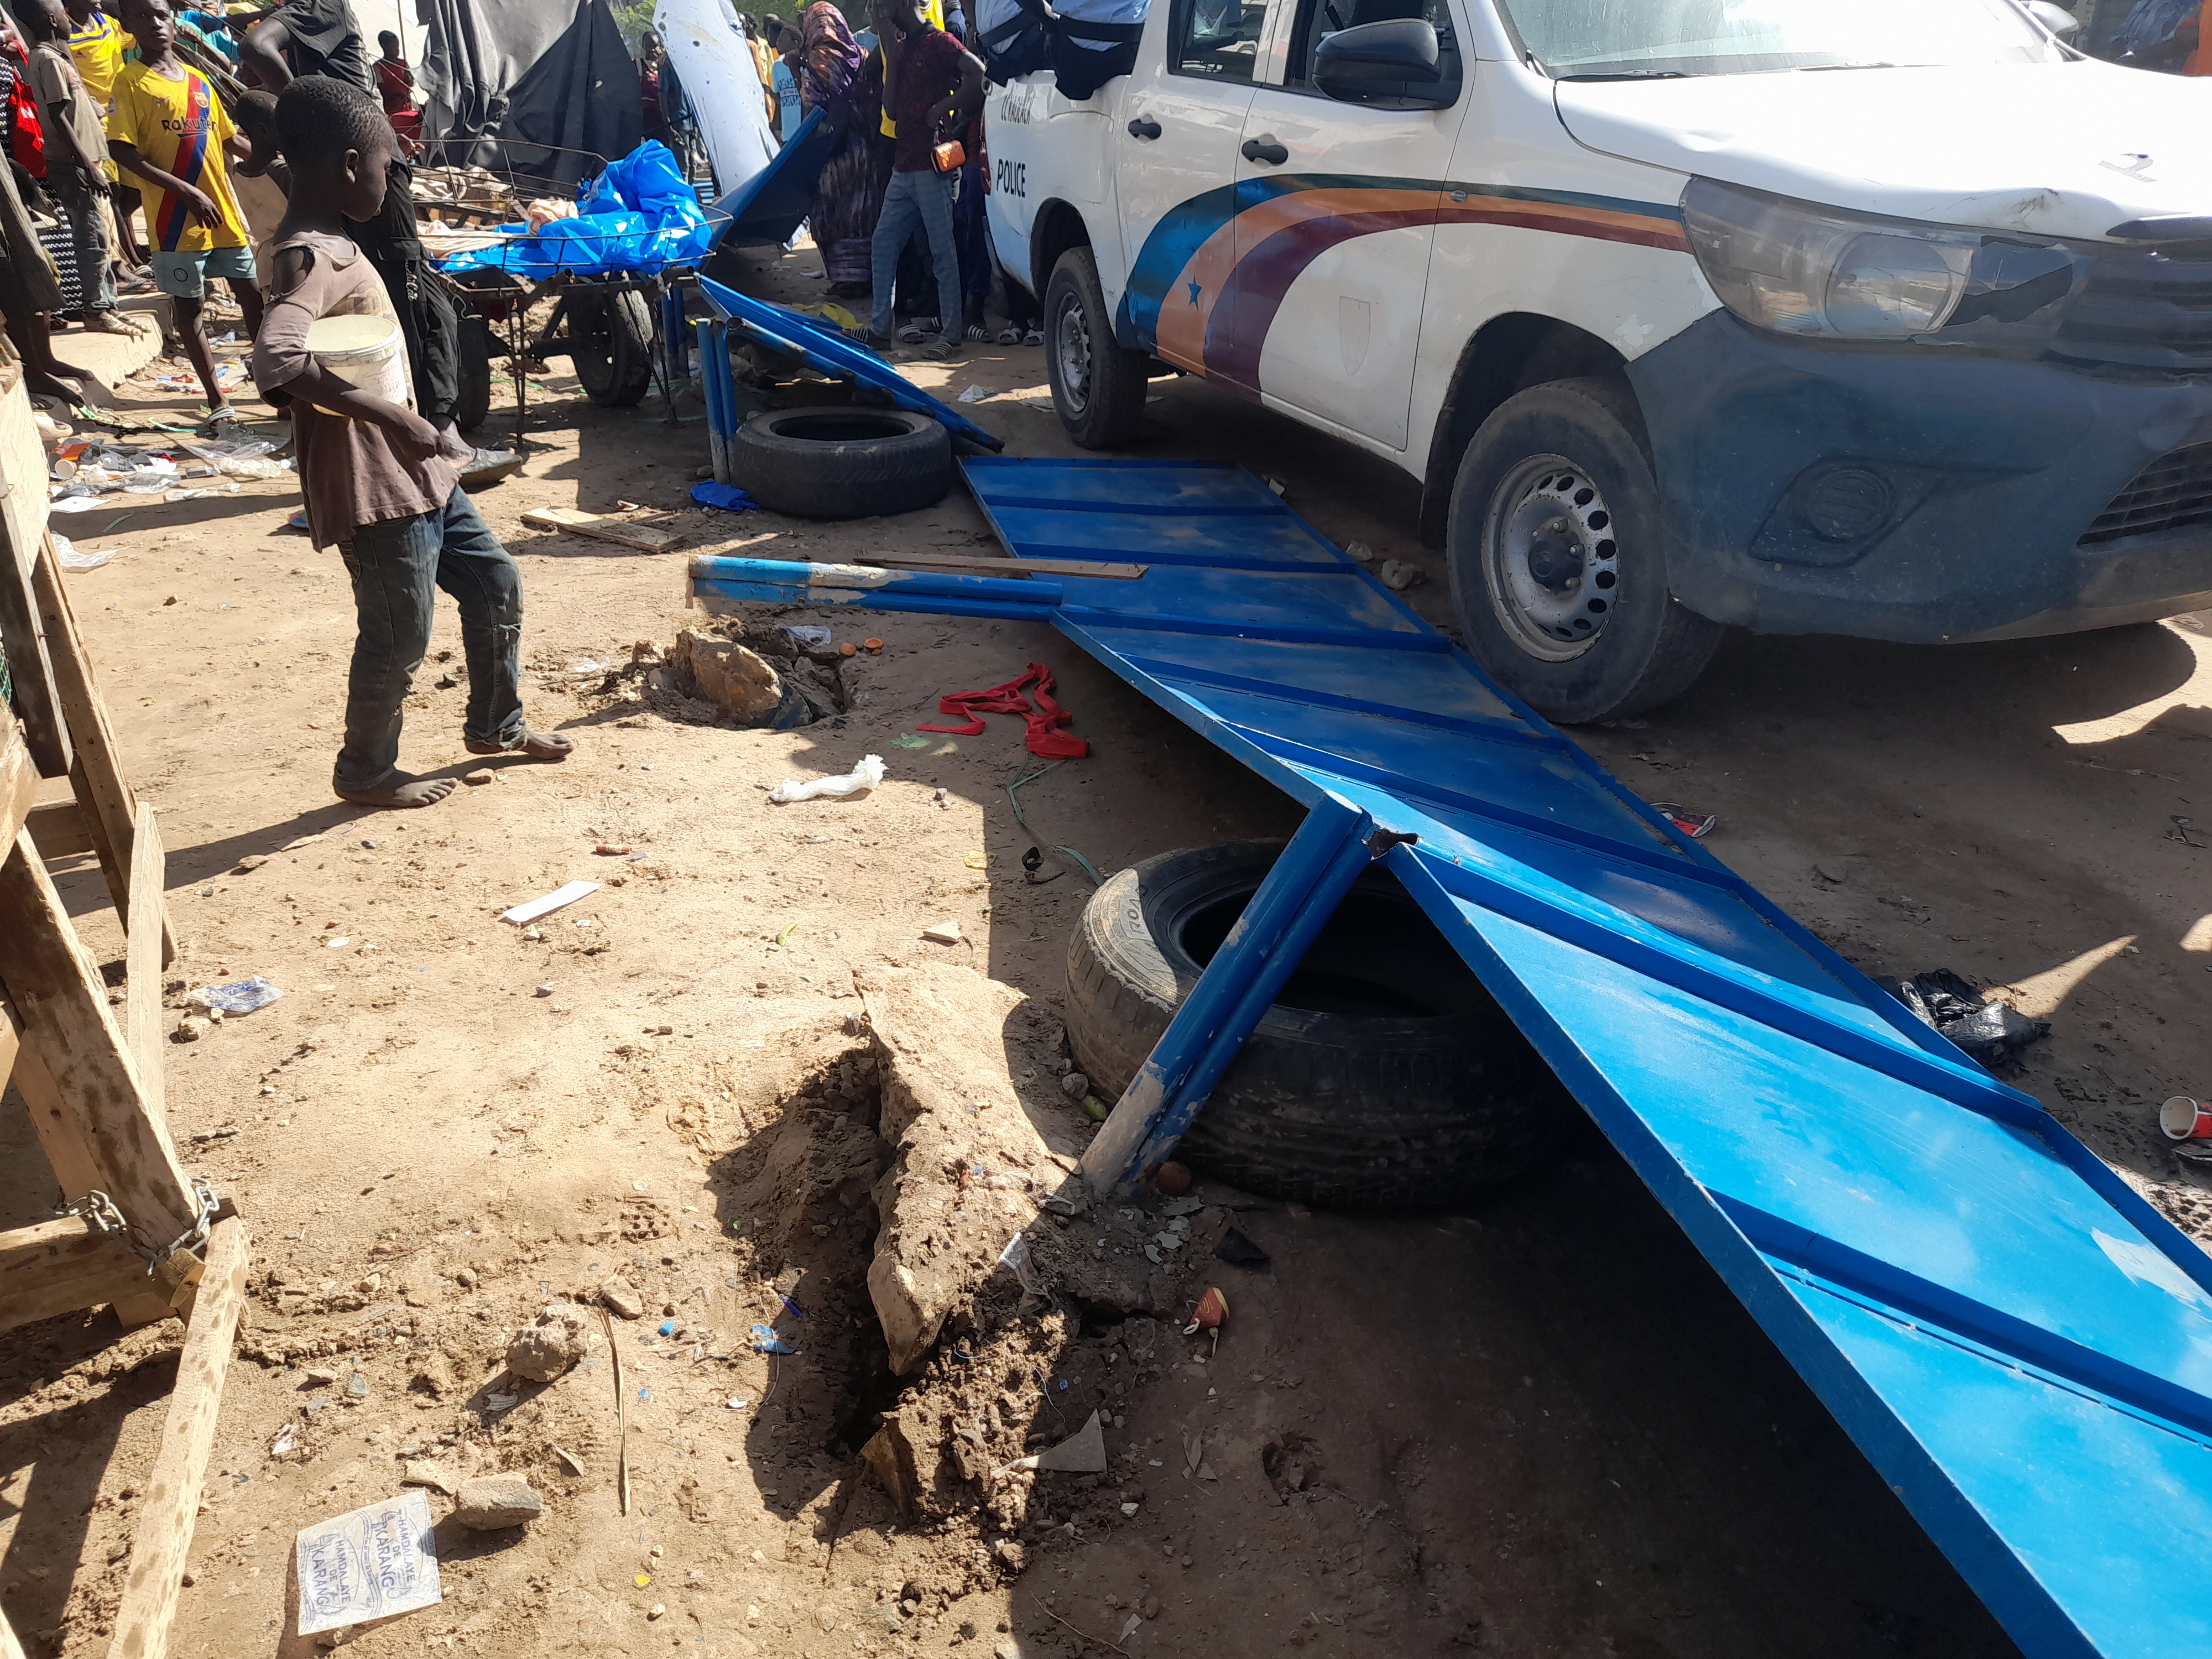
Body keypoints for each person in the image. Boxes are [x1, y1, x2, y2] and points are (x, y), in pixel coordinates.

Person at [252, 75, 572, 811]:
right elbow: (278, 361)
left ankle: (497, 723)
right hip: (374, 486)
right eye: (385, 164)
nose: (392, 177)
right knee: (398, 636)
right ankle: (364, 770)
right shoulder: (305, 256)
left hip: (419, 474)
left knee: (495, 583)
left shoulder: (338, 237)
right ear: (345, 166)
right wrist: (394, 418)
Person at [107, 0, 260, 426]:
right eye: (142, 16)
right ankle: (217, 401)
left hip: (223, 215)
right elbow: (120, 148)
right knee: (189, 307)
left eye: (160, 14)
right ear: (129, 24)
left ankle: (275, 386)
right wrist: (185, 191)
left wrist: (283, 161)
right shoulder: (131, 83)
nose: (155, 24)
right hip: (173, 221)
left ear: (172, 19)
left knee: (252, 296)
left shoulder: (198, 81)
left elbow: (231, 141)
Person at [864, 0, 980, 358]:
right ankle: (881, 330)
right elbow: (891, 111)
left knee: (942, 252)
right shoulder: (900, 49)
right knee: (884, 245)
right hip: (904, 166)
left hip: (931, 165)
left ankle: (951, 333)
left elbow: (979, 75)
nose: (876, 8)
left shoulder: (941, 43)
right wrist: (889, 54)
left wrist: (944, 108)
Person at [19, 0, 131, 333]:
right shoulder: (48, 60)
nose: (72, 21)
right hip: (72, 163)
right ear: (54, 20)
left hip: (84, 160)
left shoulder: (59, 56)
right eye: (64, 15)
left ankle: (108, 303)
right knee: (91, 236)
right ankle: (96, 309)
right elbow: (58, 116)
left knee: (99, 234)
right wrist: (88, 165)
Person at [796, 1, 886, 296]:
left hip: (835, 150)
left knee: (831, 214)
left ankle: (847, 278)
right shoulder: (859, 54)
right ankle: (862, 276)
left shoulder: (819, 60)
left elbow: (819, 108)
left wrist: (819, 149)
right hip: (864, 148)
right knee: (861, 212)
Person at [237, 0, 370, 92]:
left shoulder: (320, 5)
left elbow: (256, 46)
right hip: (353, 117)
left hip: (350, 123)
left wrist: (293, 104)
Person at [373, 28, 417, 144]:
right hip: (390, 111)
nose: (397, 50)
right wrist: (399, 95)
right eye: (394, 47)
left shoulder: (404, 64)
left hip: (406, 108)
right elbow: (382, 92)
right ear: (384, 47)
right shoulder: (378, 67)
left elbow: (412, 83)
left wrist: (409, 80)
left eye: (398, 47)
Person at [772, 29, 801, 139]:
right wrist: (769, 92)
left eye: (783, 38)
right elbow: (779, 98)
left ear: (795, 44)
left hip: (803, 130)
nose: (779, 41)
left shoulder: (804, 65)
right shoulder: (777, 66)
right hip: (788, 132)